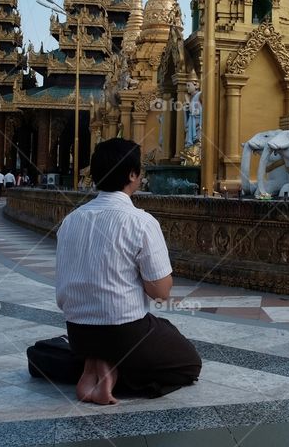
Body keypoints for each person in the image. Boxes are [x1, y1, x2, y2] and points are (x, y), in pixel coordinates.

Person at [55, 137, 202, 404]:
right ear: (133, 174)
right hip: (122, 331)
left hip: (78, 332)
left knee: (161, 327)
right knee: (189, 363)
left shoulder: (70, 220)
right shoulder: (141, 222)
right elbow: (160, 293)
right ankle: (113, 372)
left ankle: (94, 364)